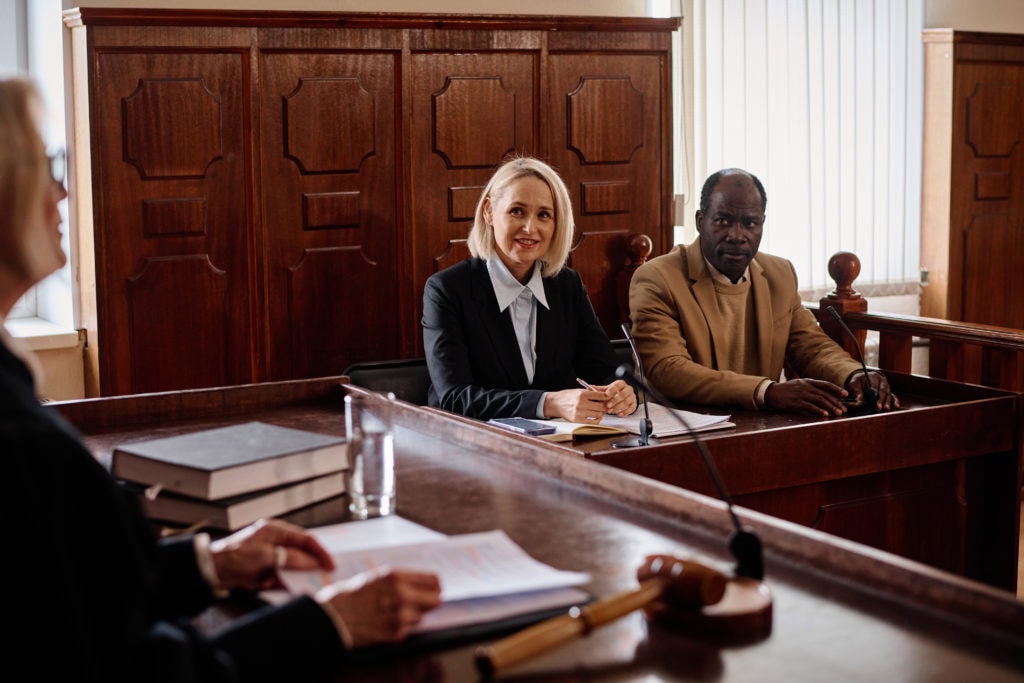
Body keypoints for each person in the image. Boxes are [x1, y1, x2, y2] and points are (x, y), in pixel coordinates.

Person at [1, 76, 441, 682]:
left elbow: (74, 585)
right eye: (45, 165)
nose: (64, 189)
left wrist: (209, 567)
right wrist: (328, 623)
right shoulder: (19, 441)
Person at [629, 168, 897, 416]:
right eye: (723, 220)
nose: (737, 235)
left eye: (750, 223)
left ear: (762, 224)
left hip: (756, 424)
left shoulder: (779, 274)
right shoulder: (658, 278)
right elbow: (668, 370)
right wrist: (766, 391)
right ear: (700, 221)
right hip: (685, 427)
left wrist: (852, 374)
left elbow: (811, 347)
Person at [422, 156, 637, 422]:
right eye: (517, 211)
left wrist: (622, 392)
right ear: (489, 211)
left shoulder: (567, 285)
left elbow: (606, 371)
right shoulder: (447, 290)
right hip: (472, 448)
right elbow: (454, 398)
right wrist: (549, 403)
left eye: (543, 215)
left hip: (559, 447)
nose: (530, 228)